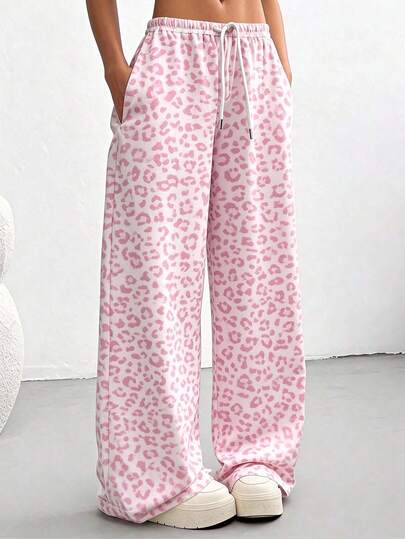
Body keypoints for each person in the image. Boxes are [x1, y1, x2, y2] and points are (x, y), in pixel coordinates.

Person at [86, 0, 306, 529]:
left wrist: (279, 63)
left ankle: (257, 455)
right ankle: (155, 478)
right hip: (173, 60)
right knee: (156, 275)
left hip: (254, 60)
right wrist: (117, 72)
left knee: (259, 270)